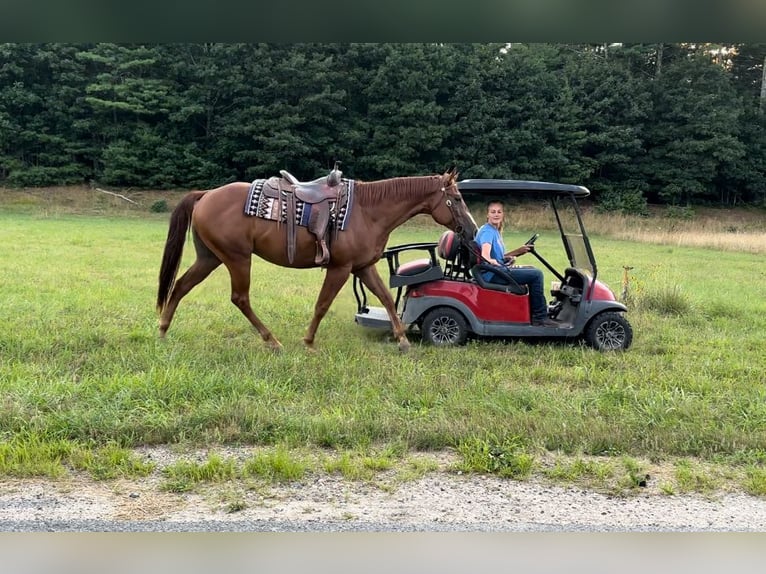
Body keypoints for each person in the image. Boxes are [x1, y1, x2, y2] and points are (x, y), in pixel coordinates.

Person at [475, 200, 557, 327]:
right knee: (537, 275)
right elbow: (486, 255)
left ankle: (534, 311)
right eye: (493, 212)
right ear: (487, 214)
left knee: (531, 269)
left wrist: (516, 253)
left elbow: (498, 256)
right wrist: (493, 261)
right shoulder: (487, 232)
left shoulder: (494, 231)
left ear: (503, 214)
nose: (496, 214)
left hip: (496, 271)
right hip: (493, 274)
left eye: (499, 212)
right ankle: (539, 317)